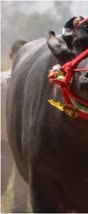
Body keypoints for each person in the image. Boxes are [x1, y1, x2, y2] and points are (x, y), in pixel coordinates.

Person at [1, 39, 29, 212]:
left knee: (22, 189)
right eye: (18, 55)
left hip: (24, 144)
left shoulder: (35, 81)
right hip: (3, 141)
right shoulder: (2, 80)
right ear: (11, 56)